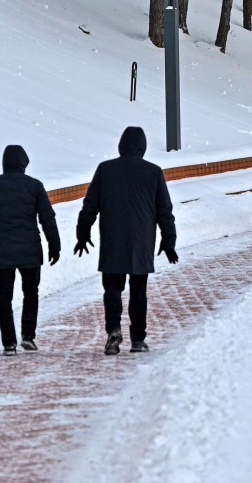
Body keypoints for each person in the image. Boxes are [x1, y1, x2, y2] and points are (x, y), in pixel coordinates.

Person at [75, 126, 177, 355]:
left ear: (121, 145)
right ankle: (138, 340)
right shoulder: (153, 172)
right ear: (143, 147)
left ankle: (113, 330)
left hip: (113, 240)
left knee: (112, 288)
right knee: (138, 291)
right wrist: (168, 240)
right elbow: (165, 210)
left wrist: (83, 233)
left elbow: (90, 205)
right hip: (141, 242)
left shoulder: (105, 169)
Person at [0, 145, 61, 356]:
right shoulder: (34, 186)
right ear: (23, 163)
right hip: (30, 250)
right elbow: (47, 218)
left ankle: (9, 343)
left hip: (2, 251)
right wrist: (54, 245)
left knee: (4, 296)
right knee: (31, 293)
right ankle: (28, 336)